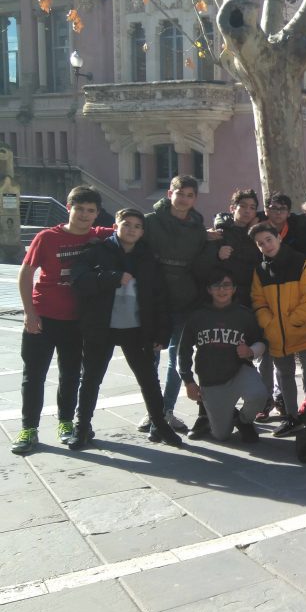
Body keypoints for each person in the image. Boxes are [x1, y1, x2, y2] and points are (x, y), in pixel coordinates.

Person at [13, 186, 112, 454]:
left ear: (97, 213)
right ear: (68, 208)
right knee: (34, 375)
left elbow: (134, 227)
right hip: (43, 317)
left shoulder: (100, 235)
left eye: (90, 210)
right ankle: (29, 428)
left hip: (77, 321)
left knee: (70, 374)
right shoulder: (47, 237)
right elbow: (25, 273)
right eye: (79, 209)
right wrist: (29, 313)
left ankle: (66, 423)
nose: (84, 215)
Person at [71, 208, 180, 448]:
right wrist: (111, 277)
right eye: (127, 224)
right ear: (116, 226)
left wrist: (162, 332)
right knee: (90, 378)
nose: (131, 230)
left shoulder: (147, 258)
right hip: (102, 326)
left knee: (148, 379)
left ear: (142, 232)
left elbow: (160, 297)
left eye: (137, 226)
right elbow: (78, 281)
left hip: (137, 328)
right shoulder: (97, 251)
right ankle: (82, 427)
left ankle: (160, 425)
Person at [142, 174, 211, 435]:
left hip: (185, 299)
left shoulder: (197, 227)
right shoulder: (151, 221)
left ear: (195, 199)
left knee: (177, 359)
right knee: (149, 358)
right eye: (179, 193)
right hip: (155, 298)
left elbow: (202, 258)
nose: (183, 199)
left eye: (189, 195)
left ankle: (166, 410)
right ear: (170, 193)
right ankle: (153, 410)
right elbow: (128, 236)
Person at [249, 222, 306, 437]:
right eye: (260, 243)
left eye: (269, 239)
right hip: (277, 336)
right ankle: (292, 417)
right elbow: (258, 301)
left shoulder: (303, 264)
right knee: (284, 377)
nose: (266, 245)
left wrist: (291, 321)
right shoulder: (260, 271)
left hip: (305, 332)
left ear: (279, 238)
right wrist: (270, 324)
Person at [179, 269, 267, 444]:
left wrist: (250, 351)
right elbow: (183, 351)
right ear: (209, 289)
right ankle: (222, 415)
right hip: (211, 380)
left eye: (226, 285)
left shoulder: (244, 314)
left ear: (234, 289)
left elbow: (261, 342)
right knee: (221, 435)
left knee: (259, 394)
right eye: (216, 286)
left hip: (240, 372)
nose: (222, 290)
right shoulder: (197, 316)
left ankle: (244, 421)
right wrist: (188, 381)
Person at [206, 188, 263, 308]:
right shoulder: (219, 233)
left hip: (252, 296)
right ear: (232, 208)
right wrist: (217, 256)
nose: (247, 211)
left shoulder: (258, 233)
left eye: (252, 208)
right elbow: (204, 266)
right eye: (243, 206)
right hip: (225, 297)